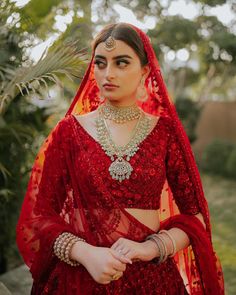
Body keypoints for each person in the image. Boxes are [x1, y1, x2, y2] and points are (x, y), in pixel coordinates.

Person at [16, 22, 225, 294]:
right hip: (79, 277)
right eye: (100, 64)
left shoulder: (165, 133)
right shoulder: (69, 131)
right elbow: (40, 216)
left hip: (151, 279)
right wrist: (84, 253)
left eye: (121, 63)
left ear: (145, 71)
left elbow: (195, 218)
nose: (108, 73)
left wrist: (149, 248)